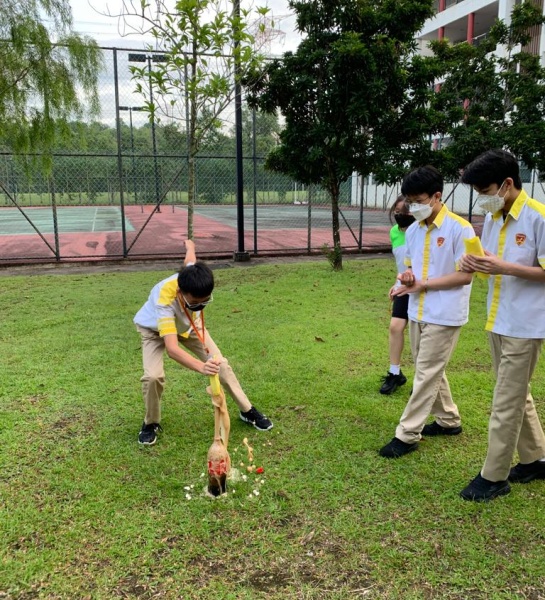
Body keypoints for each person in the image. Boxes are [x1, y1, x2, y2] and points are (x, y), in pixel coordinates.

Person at [458, 149, 545, 502]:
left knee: (505, 401)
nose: (482, 199)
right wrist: (473, 263)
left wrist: (503, 267)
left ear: (507, 184)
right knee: (515, 393)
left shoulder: (539, 218)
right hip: (498, 318)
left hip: (525, 324)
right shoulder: (494, 218)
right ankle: (537, 457)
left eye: (485, 190)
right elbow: (490, 261)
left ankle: (493, 477)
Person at [133, 239, 273, 445]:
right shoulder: (165, 299)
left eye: (205, 301)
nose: (201, 305)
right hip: (154, 330)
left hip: (189, 327)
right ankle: (151, 423)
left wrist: (189, 245)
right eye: (195, 302)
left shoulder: (191, 274)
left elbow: (190, 259)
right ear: (180, 292)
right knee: (153, 376)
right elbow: (172, 349)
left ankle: (247, 410)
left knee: (221, 364)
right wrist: (202, 367)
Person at [379, 165, 475, 459]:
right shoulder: (413, 231)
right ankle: (449, 421)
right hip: (418, 310)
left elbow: (466, 276)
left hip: (445, 314)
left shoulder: (462, 229)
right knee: (429, 368)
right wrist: (405, 281)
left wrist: (424, 284)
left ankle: (407, 434)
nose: (412, 207)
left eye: (418, 200)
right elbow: (410, 269)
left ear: (436, 196)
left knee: (425, 373)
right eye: (409, 201)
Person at [379, 195, 415, 395]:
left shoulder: (420, 231)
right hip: (403, 286)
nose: (400, 216)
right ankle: (395, 373)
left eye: (405, 213)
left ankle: (423, 380)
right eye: (397, 212)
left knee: (419, 335)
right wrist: (397, 283)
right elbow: (402, 264)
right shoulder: (394, 232)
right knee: (395, 327)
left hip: (422, 288)